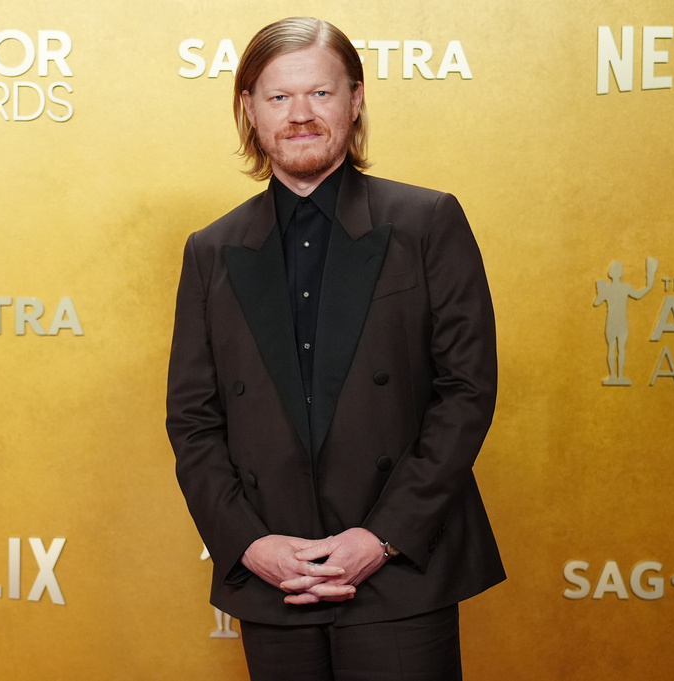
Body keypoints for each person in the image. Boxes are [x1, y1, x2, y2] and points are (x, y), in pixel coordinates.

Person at [166, 17, 504, 681]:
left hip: (403, 568)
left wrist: (381, 537)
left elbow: (466, 391)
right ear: (249, 112)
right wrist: (251, 543)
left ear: (355, 101)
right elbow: (193, 419)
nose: (300, 115)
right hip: (276, 576)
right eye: (279, 97)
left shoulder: (427, 223)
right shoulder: (211, 250)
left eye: (320, 95)